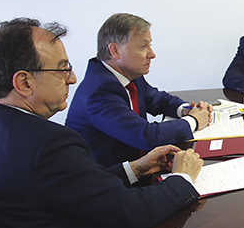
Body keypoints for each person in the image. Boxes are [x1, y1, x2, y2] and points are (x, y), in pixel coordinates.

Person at [0, 18, 203, 228]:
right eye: (62, 69)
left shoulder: (2, 128)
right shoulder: (48, 143)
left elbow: (70, 188)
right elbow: (131, 213)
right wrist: (181, 179)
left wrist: (134, 168)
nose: (73, 78)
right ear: (24, 83)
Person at [66, 13, 213, 167]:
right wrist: (194, 120)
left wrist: (186, 109)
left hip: (139, 166)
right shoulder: (99, 91)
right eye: (143, 46)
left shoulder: (128, 73)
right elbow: (146, 136)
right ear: (115, 51)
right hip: (110, 181)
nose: (152, 54)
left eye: (150, 45)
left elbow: (157, 99)